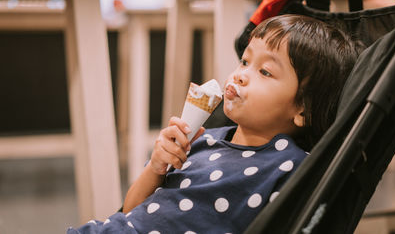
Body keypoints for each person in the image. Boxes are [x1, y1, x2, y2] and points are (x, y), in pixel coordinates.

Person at [67, 14, 358, 234]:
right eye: (245, 61)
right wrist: (155, 168)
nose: (241, 75)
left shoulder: (293, 168)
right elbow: (131, 211)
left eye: (265, 72)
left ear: (303, 110)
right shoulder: (203, 140)